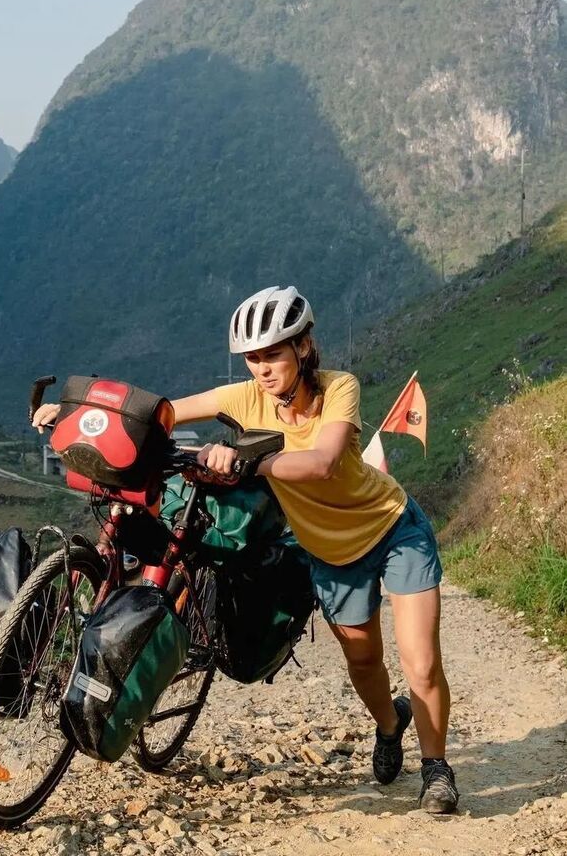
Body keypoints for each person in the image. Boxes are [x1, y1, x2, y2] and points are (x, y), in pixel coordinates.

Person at [32, 284, 458, 813]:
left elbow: (323, 461)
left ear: (302, 348)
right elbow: (157, 415)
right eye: (252, 358)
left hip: (394, 529)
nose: (262, 368)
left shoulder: (337, 388)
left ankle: (437, 771)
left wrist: (245, 462)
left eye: (273, 354)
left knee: (419, 661)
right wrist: (76, 416)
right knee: (365, 659)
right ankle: (390, 727)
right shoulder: (243, 399)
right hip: (326, 552)